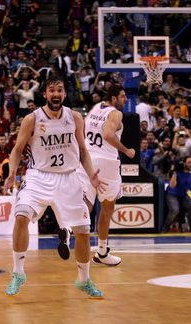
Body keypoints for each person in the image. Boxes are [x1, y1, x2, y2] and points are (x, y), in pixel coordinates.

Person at [4, 75, 105, 297]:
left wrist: (91, 175)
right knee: (21, 217)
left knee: (83, 232)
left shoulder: (75, 117)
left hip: (68, 178)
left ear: (65, 94)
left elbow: (83, 150)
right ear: (45, 94)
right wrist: (12, 171)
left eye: (59, 90)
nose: (56, 94)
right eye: (52, 91)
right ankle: (18, 272)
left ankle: (84, 279)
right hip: (38, 176)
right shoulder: (32, 119)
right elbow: (17, 149)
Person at [59, 85, 135, 266]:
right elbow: (108, 135)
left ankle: (68, 228)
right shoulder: (115, 113)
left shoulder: (95, 108)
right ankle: (102, 251)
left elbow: (82, 129)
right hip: (106, 161)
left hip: (86, 159)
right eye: (123, 96)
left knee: (87, 203)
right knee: (107, 206)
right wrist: (126, 150)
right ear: (114, 98)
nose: (125, 99)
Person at [163, 156, 191, 233]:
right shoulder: (177, 172)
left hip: (184, 194)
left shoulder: (190, 174)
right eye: (189, 162)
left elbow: (189, 189)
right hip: (172, 194)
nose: (190, 164)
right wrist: (174, 172)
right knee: (175, 210)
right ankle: (165, 227)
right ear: (184, 163)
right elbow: (172, 185)